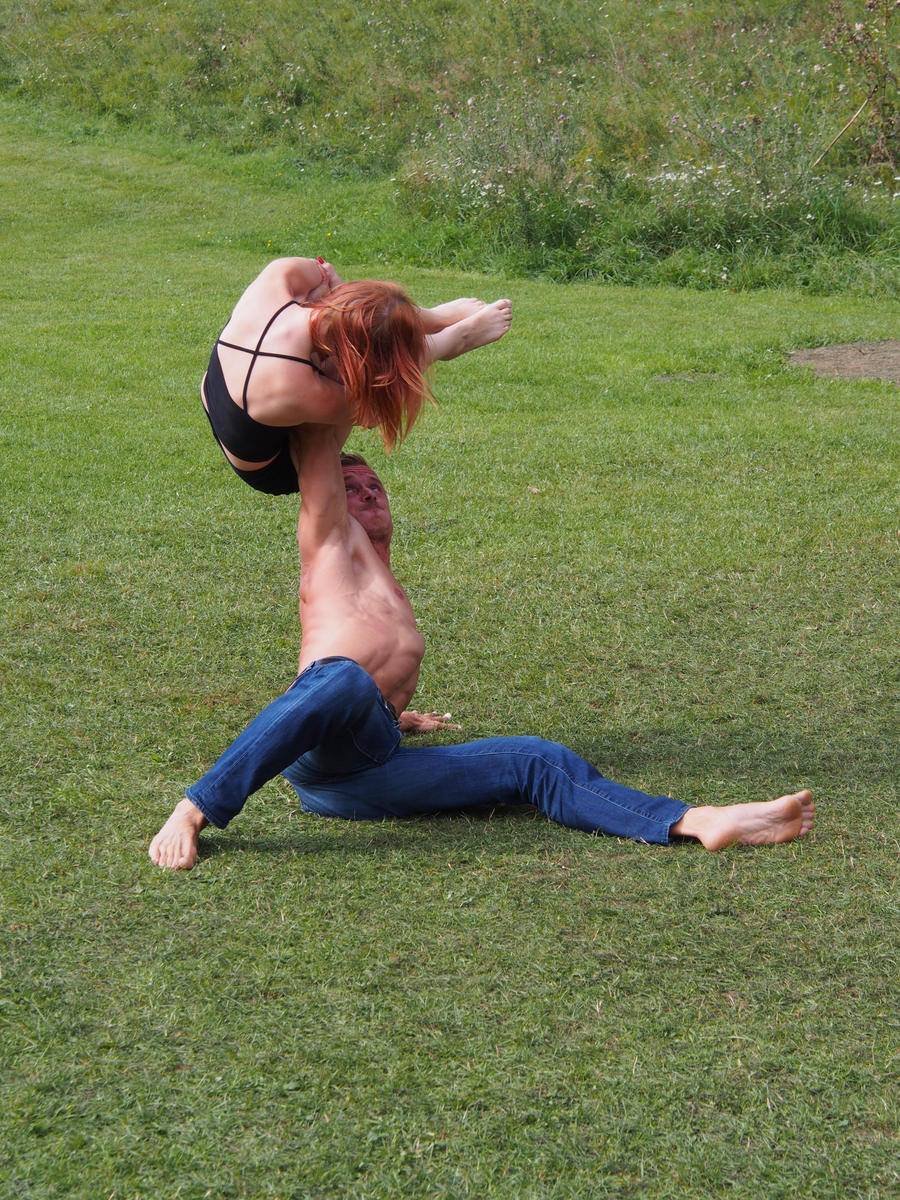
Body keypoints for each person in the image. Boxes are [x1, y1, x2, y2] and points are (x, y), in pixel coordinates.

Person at [150, 427, 814, 870]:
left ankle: (698, 821)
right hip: (321, 759)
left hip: (365, 774)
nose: (367, 491)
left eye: (375, 484)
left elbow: (371, 678)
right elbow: (318, 446)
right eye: (350, 488)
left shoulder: (386, 584)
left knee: (536, 759)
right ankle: (197, 807)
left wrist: (396, 718)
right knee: (346, 680)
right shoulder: (330, 548)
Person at [202, 256, 513, 494]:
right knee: (366, 379)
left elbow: (331, 281)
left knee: (372, 317)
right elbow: (370, 411)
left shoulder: (281, 274)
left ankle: (432, 318)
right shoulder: (291, 386)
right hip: (272, 463)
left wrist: (334, 293)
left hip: (221, 386)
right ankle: (443, 343)